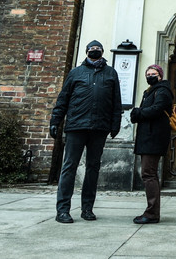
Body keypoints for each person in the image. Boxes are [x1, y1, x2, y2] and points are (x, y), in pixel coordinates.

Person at [49, 39, 122, 224]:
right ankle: (63, 210)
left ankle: (87, 208)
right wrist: (55, 121)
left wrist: (116, 124)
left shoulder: (111, 73)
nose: (95, 50)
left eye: (98, 48)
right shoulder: (76, 73)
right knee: (69, 167)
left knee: (93, 169)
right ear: (87, 51)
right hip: (76, 126)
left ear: (103, 52)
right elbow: (63, 99)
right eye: (92, 48)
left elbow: (116, 102)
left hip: (99, 128)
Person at [129, 64, 174, 224]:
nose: (150, 76)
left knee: (149, 174)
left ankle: (152, 213)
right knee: (149, 174)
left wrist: (138, 113)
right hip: (147, 137)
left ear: (160, 76)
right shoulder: (150, 91)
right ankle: (152, 211)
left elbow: (157, 109)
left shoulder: (162, 91)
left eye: (153, 73)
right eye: (148, 73)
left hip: (154, 138)